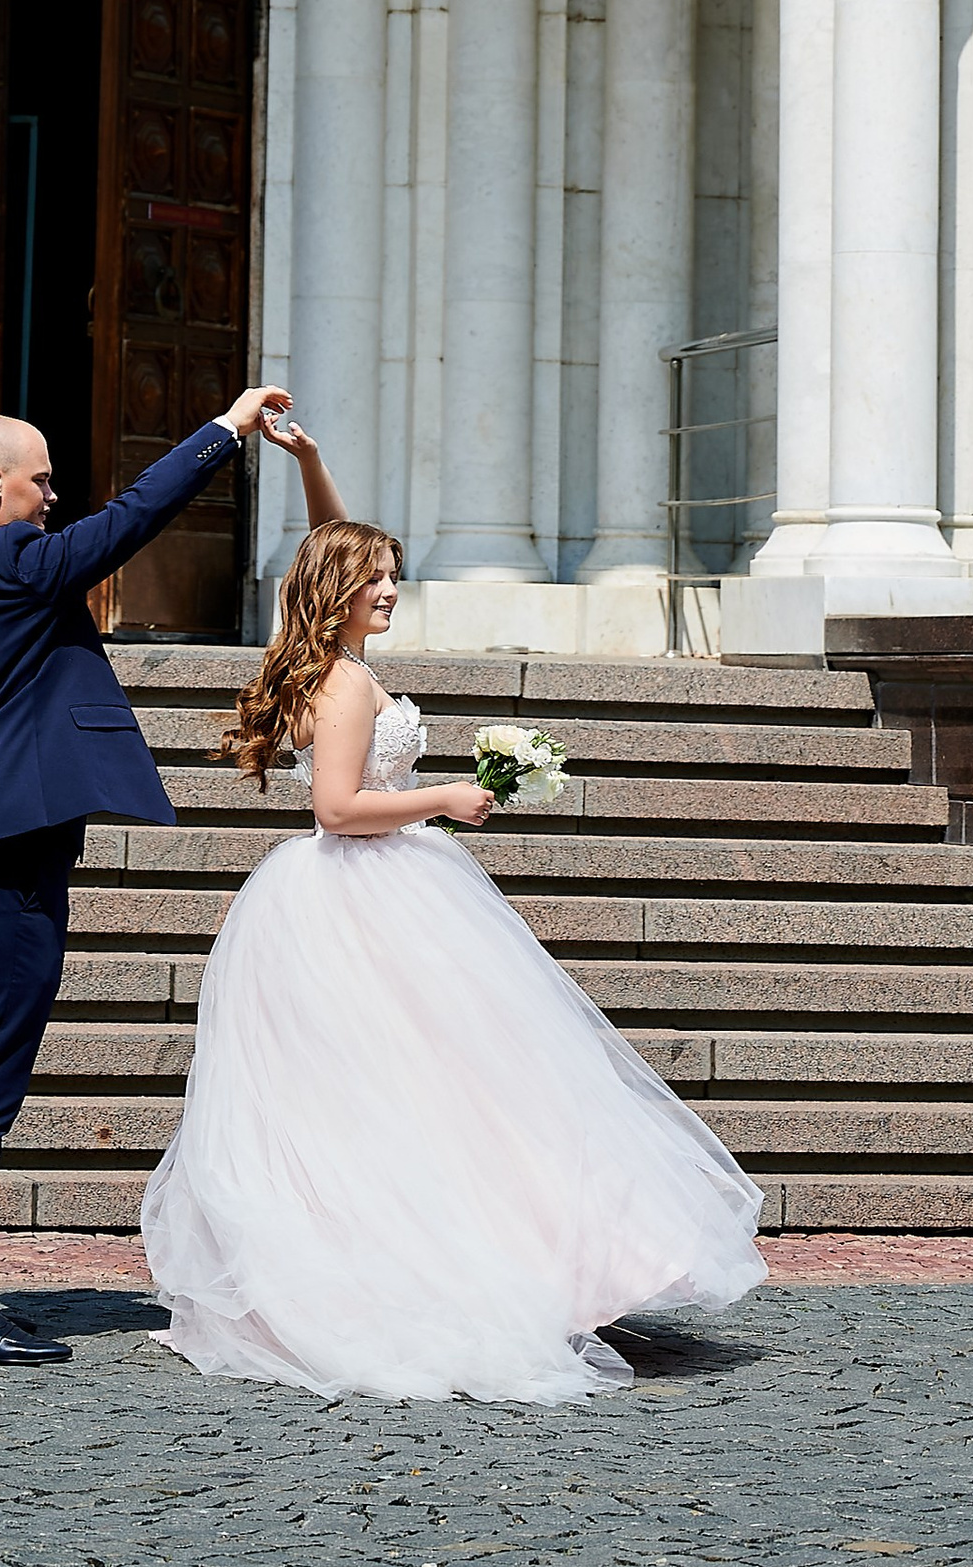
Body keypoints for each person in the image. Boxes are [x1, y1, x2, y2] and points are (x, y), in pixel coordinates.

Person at [141, 412, 767, 1403]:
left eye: (392, 576)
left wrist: (309, 461)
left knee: (433, 1089)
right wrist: (441, 797)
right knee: (426, 1086)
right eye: (372, 581)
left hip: (368, 893)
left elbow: (324, 548)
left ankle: (484, 1257)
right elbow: (338, 808)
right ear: (336, 596)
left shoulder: (322, 656)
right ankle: (435, 1272)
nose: (388, 591)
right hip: (362, 894)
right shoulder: (341, 685)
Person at [0, 382, 292, 1364]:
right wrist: (226, 432)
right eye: (39, 481)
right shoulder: (13, 565)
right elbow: (128, 523)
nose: (52, 498)